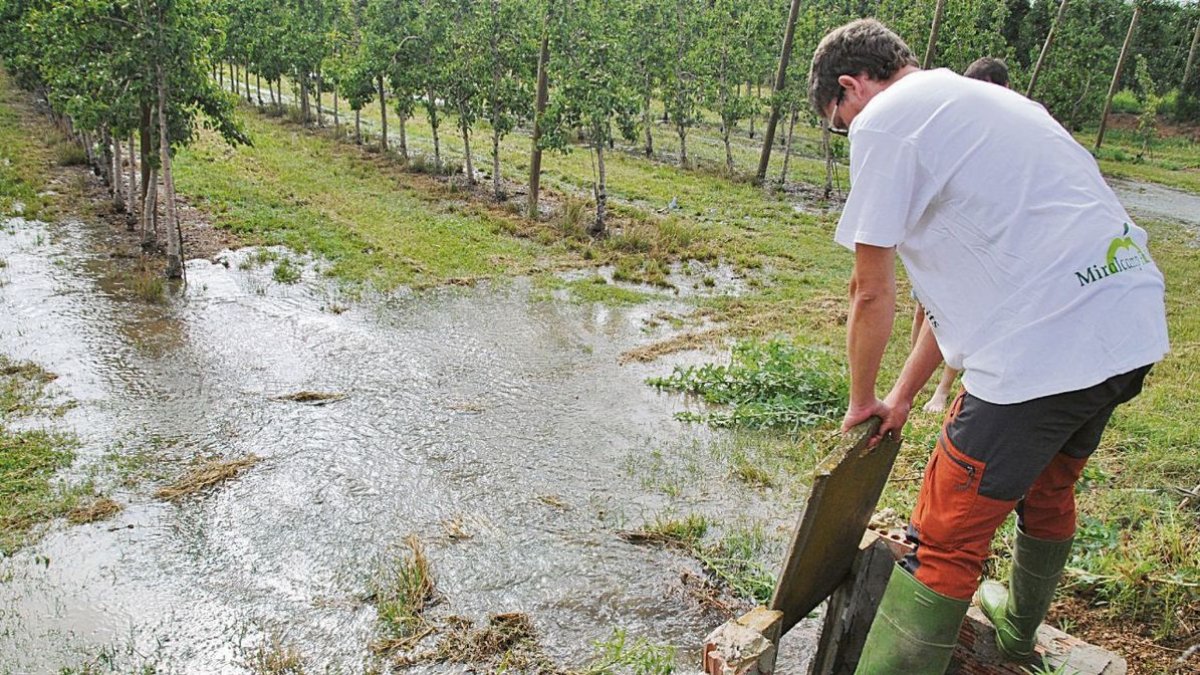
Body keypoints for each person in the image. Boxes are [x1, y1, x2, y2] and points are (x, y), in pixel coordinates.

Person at [808, 19, 1169, 674]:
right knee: (1050, 486)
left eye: (838, 122)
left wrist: (860, 400)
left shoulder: (885, 118)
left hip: (1042, 347)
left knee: (941, 543)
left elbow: (870, 291)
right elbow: (954, 306)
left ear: (849, 87)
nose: (847, 134)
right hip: (1127, 321)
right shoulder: (986, 103)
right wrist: (899, 398)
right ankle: (1016, 636)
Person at [911, 56, 1011, 413]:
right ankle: (915, 376)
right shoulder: (956, 120)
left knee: (956, 310)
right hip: (944, 226)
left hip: (981, 233)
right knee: (925, 304)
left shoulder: (1011, 125)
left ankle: (943, 388)